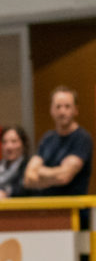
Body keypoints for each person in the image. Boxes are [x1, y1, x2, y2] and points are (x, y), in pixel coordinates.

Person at [23, 86, 93, 217]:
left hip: (74, 216)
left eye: (67, 106)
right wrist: (57, 171)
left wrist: (41, 170)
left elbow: (64, 177)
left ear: (76, 110)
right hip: (47, 214)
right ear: (51, 110)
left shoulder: (82, 138)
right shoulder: (47, 139)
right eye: (58, 107)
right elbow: (28, 178)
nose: (62, 112)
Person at [0, 126, 30, 200]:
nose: (8, 147)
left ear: (23, 144)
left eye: (14, 141)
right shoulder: (0, 167)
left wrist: (6, 194)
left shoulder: (29, 165)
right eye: (4, 142)